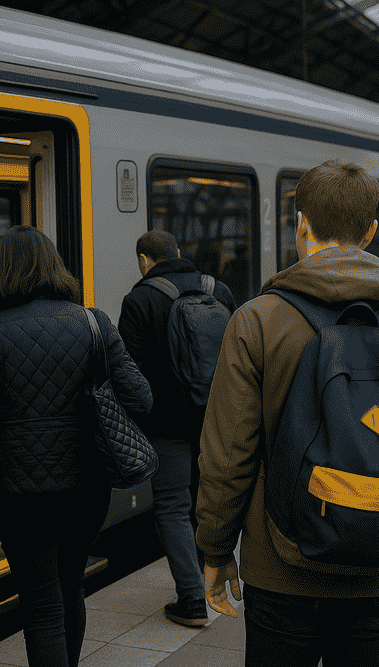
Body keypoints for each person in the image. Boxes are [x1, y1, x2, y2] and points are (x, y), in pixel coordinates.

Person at [196, 160, 379, 666]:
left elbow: (228, 455)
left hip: (279, 568)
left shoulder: (256, 322)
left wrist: (216, 551)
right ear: (371, 232)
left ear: (299, 223)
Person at [0, 225, 152, 667]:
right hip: (86, 488)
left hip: (17, 495)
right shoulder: (93, 322)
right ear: (55, 266)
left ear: (0, 272)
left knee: (42, 604)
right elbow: (142, 398)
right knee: (71, 587)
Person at [118, 229, 235, 627]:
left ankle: (192, 600)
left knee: (171, 507)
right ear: (180, 252)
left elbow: (129, 372)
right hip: (213, 417)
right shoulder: (218, 291)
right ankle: (215, 581)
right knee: (209, 497)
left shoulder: (139, 300)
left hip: (166, 424)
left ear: (144, 261)